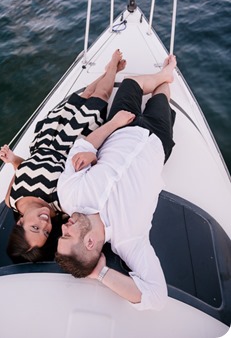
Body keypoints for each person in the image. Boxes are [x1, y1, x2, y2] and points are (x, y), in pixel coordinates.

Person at [55, 54, 177, 311]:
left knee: (131, 82)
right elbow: (156, 297)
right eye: (67, 235)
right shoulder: (130, 241)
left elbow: (82, 146)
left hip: (120, 128)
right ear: (89, 243)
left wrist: (111, 127)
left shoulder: (69, 197)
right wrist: (99, 274)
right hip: (157, 141)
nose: (64, 226)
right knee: (161, 96)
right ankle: (165, 80)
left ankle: (162, 76)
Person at [0, 49, 126, 262]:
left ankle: (106, 74)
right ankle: (112, 67)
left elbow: (23, 168)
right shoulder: (61, 206)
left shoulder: (10, 199)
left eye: (35, 227)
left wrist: (12, 159)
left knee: (80, 98)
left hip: (43, 141)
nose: (45, 223)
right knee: (99, 99)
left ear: (20, 222)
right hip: (70, 144)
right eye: (46, 232)